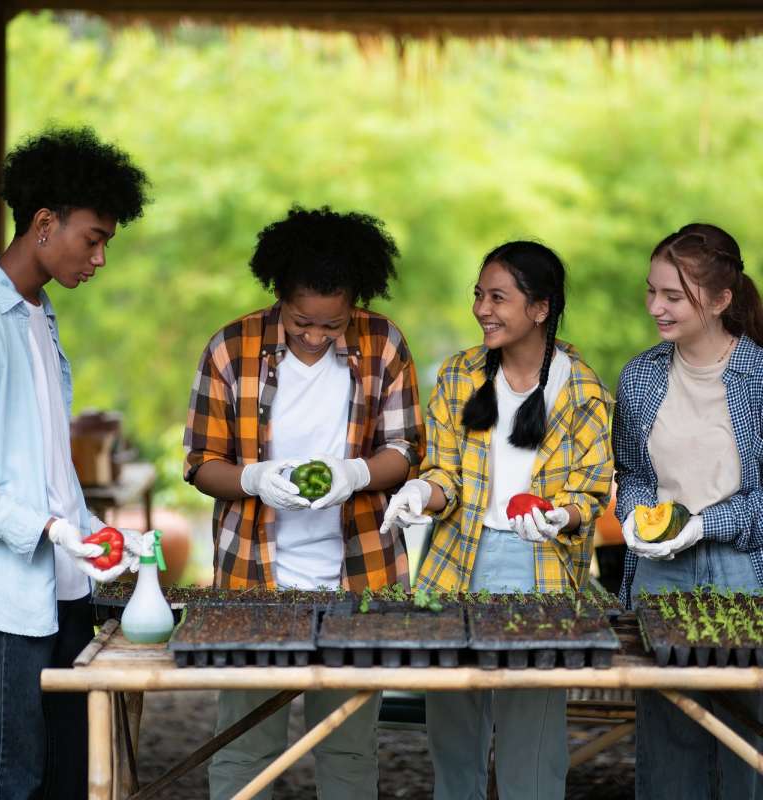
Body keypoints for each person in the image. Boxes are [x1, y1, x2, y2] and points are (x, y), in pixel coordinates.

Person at [183, 205, 425, 799]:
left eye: (332, 325)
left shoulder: (384, 342)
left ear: (355, 304)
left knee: (348, 745)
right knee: (244, 744)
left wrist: (357, 473)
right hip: (253, 583)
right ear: (278, 293)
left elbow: (407, 449)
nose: (316, 336)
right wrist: (253, 480)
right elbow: (199, 463)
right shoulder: (229, 349)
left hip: (356, 579)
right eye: (300, 324)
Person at [382, 240, 614, 800]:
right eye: (479, 295)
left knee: (531, 746)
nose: (483, 308)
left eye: (499, 297)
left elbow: (593, 491)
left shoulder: (581, 389)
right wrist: (420, 491)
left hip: (543, 571)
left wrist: (562, 516)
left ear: (540, 308)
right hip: (458, 562)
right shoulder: (460, 374)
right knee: (453, 738)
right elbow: (445, 476)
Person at [0, 127, 149, 800]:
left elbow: (43, 463)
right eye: (93, 239)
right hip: (7, 594)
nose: (99, 258)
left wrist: (96, 533)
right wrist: (46, 529)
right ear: (45, 224)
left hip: (66, 586)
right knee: (9, 777)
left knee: (72, 772)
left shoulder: (39, 317)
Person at [614, 223, 763, 800]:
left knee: (745, 740)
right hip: (659, 573)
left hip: (742, 572)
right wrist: (632, 517)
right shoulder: (640, 376)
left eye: (673, 296)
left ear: (722, 300)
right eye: (652, 291)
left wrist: (705, 524)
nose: (656, 306)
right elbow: (633, 475)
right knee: (668, 737)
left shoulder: (757, 377)